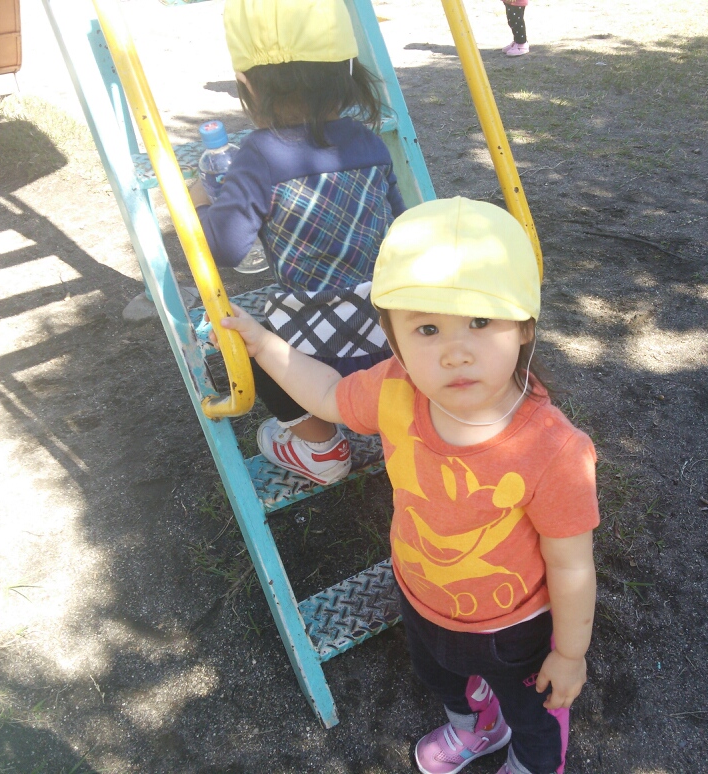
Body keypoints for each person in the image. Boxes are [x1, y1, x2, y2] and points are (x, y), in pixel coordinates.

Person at [214, 197, 599, 774]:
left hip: (514, 628)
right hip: (420, 594)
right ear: (393, 338)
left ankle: (533, 762)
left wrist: (569, 653)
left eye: (480, 321)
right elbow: (327, 395)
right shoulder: (396, 388)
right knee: (439, 675)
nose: (455, 352)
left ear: (524, 324)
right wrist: (265, 345)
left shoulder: (553, 450)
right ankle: (477, 727)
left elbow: (571, 564)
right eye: (427, 328)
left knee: (534, 711)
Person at [190, 0, 405, 485]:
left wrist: (198, 206)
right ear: (347, 73)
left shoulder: (259, 155)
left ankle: (320, 446)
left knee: (245, 337)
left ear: (247, 83)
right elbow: (403, 224)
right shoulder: (369, 143)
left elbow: (227, 248)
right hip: (393, 336)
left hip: (312, 353)